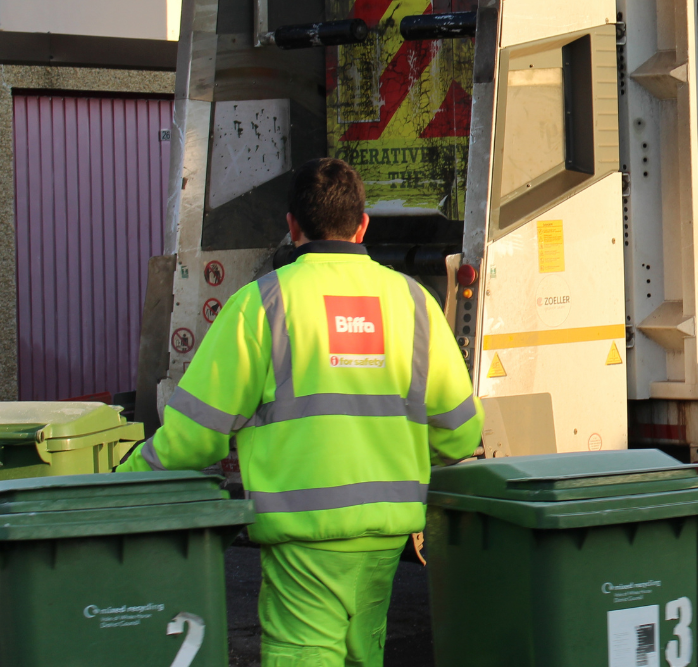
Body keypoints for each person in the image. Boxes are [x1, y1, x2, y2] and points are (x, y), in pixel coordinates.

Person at [120, 157, 482, 667]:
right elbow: (460, 434)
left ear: (292, 227)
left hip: (303, 543)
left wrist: (126, 477)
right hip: (384, 537)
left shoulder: (261, 304)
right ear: (363, 225)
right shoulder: (415, 303)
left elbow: (196, 436)